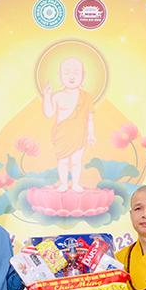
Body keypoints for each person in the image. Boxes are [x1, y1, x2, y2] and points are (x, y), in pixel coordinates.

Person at [42, 57, 95, 192]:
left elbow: (89, 118)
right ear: (60, 76)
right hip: (62, 134)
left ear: (83, 75)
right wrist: (47, 96)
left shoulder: (86, 97)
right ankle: (64, 184)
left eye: (76, 73)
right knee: (63, 161)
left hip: (79, 134)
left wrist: (91, 134)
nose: (71, 76)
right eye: (66, 73)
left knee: (77, 161)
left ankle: (76, 183)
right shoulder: (57, 96)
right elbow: (49, 113)